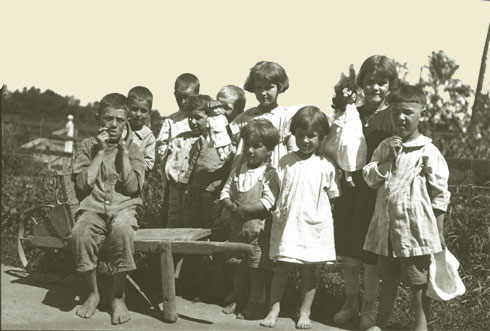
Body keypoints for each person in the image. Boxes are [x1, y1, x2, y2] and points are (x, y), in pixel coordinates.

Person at [363, 84, 450, 331]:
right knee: (387, 278)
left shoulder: (428, 151)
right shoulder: (385, 146)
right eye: (396, 112)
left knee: (417, 282)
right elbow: (369, 178)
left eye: (408, 112)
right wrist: (388, 157)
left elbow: (440, 194)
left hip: (415, 230)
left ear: (421, 114)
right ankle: (381, 323)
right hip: (386, 232)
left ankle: (420, 326)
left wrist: (439, 230)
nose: (401, 118)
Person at [332, 55, 399, 329]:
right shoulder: (351, 114)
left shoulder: (393, 117)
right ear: (361, 84)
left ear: (390, 85)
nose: (375, 87)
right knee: (350, 255)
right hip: (350, 194)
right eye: (370, 82)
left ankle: (369, 311)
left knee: (370, 257)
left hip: (377, 198)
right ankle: (350, 303)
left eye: (382, 82)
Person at [261, 106, 339, 329]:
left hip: (312, 226)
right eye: (301, 135)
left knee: (309, 270)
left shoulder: (325, 165)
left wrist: (320, 219)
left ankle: (305, 312)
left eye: (312, 136)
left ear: (321, 137)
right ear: (294, 134)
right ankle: (273, 308)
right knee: (282, 267)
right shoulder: (286, 161)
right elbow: (276, 190)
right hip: (288, 224)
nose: (305, 140)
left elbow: (332, 196)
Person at [70, 93, 145, 325]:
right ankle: (93, 292)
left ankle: (118, 295)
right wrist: (100, 152)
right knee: (80, 232)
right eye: (108, 118)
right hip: (93, 208)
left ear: (127, 123)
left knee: (122, 229)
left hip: (123, 207)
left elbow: (132, 187)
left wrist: (122, 151)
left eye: (120, 120)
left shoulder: (133, 149)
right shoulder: (87, 146)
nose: (113, 125)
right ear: (97, 119)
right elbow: (82, 184)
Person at [220, 119, 280, 319]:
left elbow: (268, 201)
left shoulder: (270, 174)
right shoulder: (239, 170)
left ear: (269, 150)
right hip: (238, 229)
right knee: (238, 266)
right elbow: (225, 192)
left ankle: (255, 301)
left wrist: (245, 209)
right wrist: (230, 206)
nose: (251, 151)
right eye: (248, 145)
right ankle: (237, 296)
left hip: (258, 232)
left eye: (257, 146)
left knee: (257, 270)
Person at [229, 61, 296, 169]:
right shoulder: (245, 117)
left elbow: (292, 150)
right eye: (258, 88)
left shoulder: (286, 117)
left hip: (274, 174)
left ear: (279, 87)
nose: (263, 93)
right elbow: (231, 144)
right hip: (244, 175)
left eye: (269, 88)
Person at [165, 95, 211, 228]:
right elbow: (169, 162)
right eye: (190, 117)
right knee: (173, 220)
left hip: (194, 191)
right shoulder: (179, 139)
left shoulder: (209, 141)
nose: (193, 121)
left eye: (198, 118)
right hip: (175, 188)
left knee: (191, 223)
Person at [322, 66, 367, 187]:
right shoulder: (344, 109)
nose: (353, 96)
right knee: (344, 149)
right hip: (346, 134)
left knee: (352, 152)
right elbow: (339, 121)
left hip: (355, 134)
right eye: (350, 94)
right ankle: (344, 174)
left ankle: (349, 174)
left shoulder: (353, 108)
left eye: (354, 94)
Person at [155, 73, 200, 157]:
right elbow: (160, 146)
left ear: (197, 95)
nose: (183, 102)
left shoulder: (204, 119)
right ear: (175, 95)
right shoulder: (170, 121)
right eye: (179, 97)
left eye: (187, 97)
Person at [127, 86, 156, 172]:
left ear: (149, 113)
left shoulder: (148, 137)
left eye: (143, 111)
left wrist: (128, 167)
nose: (138, 114)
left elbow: (148, 164)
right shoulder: (120, 128)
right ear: (127, 108)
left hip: (133, 180)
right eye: (134, 109)